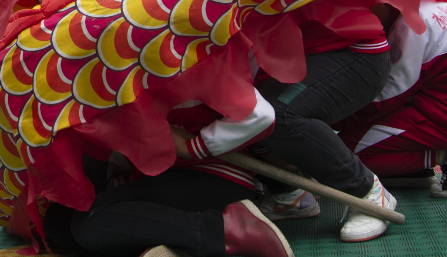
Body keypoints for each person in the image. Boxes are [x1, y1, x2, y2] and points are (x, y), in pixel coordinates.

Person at [43, 92, 293, 257]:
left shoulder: (196, 56)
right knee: (59, 224)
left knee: (92, 221)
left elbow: (261, 115)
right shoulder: (117, 78)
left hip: (216, 178)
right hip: (162, 178)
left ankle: (227, 231)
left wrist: (190, 145)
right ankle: (170, 242)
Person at [252, 5, 397, 243]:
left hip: (349, 50)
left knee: (276, 115)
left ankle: (366, 191)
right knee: (243, 113)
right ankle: (289, 195)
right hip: (302, 53)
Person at [336, 0, 447, 199]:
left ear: (383, 0)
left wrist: (335, 119)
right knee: (340, 146)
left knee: (337, 155)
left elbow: (390, 94)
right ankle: (415, 169)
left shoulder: (410, 23)